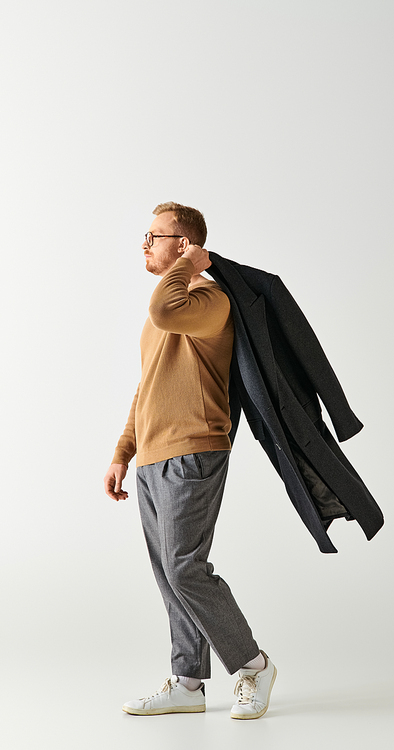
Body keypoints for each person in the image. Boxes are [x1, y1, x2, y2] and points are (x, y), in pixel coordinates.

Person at [103, 202, 276, 720]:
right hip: (153, 457)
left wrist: (191, 265)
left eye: (153, 236)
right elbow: (147, 386)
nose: (144, 244)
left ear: (183, 245)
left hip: (196, 448)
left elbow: (163, 309)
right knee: (167, 572)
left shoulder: (209, 301)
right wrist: (122, 452)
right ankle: (187, 682)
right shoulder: (169, 308)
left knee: (184, 568)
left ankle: (253, 664)